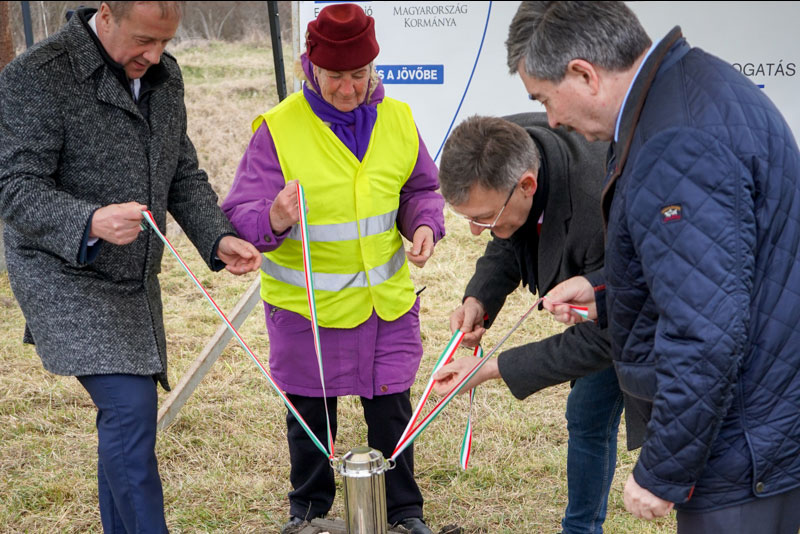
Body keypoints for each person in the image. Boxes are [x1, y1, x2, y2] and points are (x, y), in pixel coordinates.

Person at [506, 2, 800, 532]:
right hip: (763, 420)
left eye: (544, 99)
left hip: (743, 445)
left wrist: (664, 468)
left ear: (584, 74)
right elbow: (720, 269)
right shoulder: (688, 88)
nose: (551, 121)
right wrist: (605, 292)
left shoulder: (675, 141)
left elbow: (705, 330)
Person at [0, 2, 262, 533]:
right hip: (64, 271)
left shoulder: (165, 76)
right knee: (129, 408)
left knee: (125, 424)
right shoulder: (38, 75)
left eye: (166, 42)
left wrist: (218, 236)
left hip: (134, 280)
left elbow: (180, 171)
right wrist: (89, 220)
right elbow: (14, 188)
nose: (156, 55)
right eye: (145, 40)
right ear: (107, 14)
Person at [221, 4, 444, 534]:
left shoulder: (398, 118)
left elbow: (419, 187)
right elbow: (238, 211)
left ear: (373, 67)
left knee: (392, 410)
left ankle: (403, 512)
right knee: (310, 418)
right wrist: (274, 217)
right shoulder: (278, 129)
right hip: (309, 311)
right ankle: (309, 509)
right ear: (311, 69)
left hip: (384, 305)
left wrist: (423, 223)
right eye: (335, 76)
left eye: (359, 75)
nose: (348, 88)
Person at [431, 114, 629, 534]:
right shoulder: (503, 149)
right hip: (600, 295)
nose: (475, 232)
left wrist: (491, 368)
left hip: (654, 317)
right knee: (587, 412)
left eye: (483, 218)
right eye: (468, 218)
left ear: (527, 185)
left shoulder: (598, 204)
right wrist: (478, 300)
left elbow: (607, 336)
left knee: (601, 413)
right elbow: (508, 238)